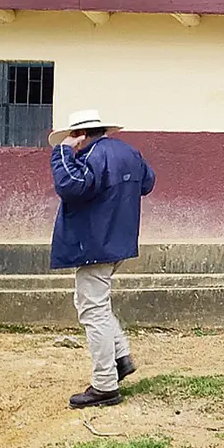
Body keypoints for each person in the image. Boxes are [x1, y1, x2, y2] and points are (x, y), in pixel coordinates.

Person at [48, 109, 155, 409]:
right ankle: (120, 357)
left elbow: (70, 186)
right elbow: (148, 183)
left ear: (81, 135)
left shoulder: (90, 155)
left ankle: (105, 384)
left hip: (94, 244)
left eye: (73, 138)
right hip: (117, 241)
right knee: (93, 304)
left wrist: (61, 154)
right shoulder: (129, 152)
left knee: (92, 310)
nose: (72, 143)